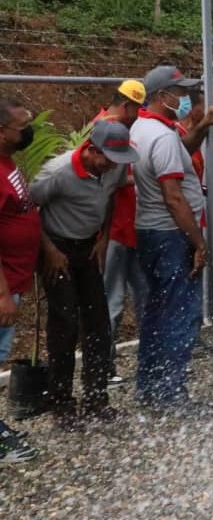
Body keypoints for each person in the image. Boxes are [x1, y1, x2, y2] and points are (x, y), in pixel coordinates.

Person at [30, 120, 139, 428]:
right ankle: (62, 404)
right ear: (91, 151)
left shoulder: (113, 167)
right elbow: (28, 210)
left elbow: (113, 197)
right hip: (57, 249)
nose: (113, 166)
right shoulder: (58, 173)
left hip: (89, 247)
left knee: (99, 323)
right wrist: (49, 250)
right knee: (64, 325)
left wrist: (103, 238)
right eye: (108, 159)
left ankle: (96, 399)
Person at [129, 65, 209, 411]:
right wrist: (198, 242)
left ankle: (149, 388)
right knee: (181, 314)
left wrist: (203, 127)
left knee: (156, 312)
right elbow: (173, 196)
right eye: (179, 93)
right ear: (163, 97)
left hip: (151, 232)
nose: (185, 98)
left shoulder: (144, 128)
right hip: (172, 234)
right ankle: (171, 394)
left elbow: (179, 150)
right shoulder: (161, 136)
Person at [94, 79, 147, 384]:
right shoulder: (104, 130)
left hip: (128, 227)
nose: (137, 115)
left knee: (140, 296)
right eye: (136, 110)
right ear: (127, 105)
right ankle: (103, 369)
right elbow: (102, 184)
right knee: (111, 301)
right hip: (112, 231)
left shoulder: (111, 127)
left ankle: (132, 361)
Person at [0, 96, 40, 464]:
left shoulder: (8, 163)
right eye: (21, 125)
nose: (28, 130)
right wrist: (3, 295)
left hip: (16, 279)